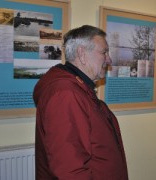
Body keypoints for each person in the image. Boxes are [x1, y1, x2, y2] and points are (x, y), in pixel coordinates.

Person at [33, 25, 128, 180]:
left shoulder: (78, 89)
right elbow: (70, 170)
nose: (109, 59)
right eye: (104, 52)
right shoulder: (66, 94)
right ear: (82, 54)